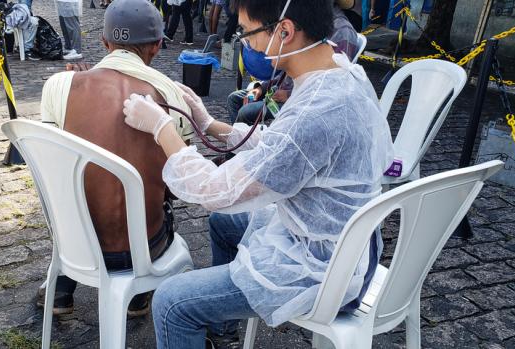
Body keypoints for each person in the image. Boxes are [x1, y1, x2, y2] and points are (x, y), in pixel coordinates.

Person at [121, 0, 394, 347]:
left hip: (325, 271)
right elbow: (280, 149)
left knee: (172, 302)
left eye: (247, 32)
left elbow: (215, 190)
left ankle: (194, 321)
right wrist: (210, 124)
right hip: (345, 242)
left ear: (285, 31)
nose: (246, 44)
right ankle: (222, 333)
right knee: (224, 226)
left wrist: (161, 128)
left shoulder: (316, 112)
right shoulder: (339, 70)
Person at [36, 0, 194, 316]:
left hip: (76, 244)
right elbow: (180, 185)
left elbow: (51, 165)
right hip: (144, 249)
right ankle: (138, 291)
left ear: (104, 42)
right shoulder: (173, 94)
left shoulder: (59, 85)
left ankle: (62, 285)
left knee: (74, 186)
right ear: (157, 46)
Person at [226, 2, 358, 126]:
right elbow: (288, 68)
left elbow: (330, 86)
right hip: (285, 92)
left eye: (248, 32)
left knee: (246, 112)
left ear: (286, 30)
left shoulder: (341, 31)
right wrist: (261, 87)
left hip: (299, 99)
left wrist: (289, 95)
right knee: (235, 99)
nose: (251, 44)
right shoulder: (305, 23)